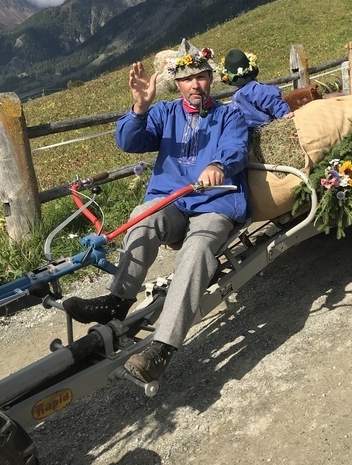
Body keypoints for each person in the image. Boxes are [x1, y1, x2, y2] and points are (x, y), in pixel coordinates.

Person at [63, 39, 250, 383]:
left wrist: (219, 164)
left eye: (202, 77)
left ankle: (162, 346)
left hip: (214, 203)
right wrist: (139, 107)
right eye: (188, 78)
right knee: (143, 215)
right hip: (174, 202)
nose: (196, 85)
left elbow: (236, 147)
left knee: (196, 252)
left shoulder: (229, 115)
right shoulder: (164, 113)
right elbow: (129, 143)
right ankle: (117, 301)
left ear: (212, 79)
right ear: (177, 83)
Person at [219, 48, 292, 130]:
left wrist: (284, 114)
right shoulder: (243, 93)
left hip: (263, 128)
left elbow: (271, 100)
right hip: (253, 132)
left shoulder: (254, 89)